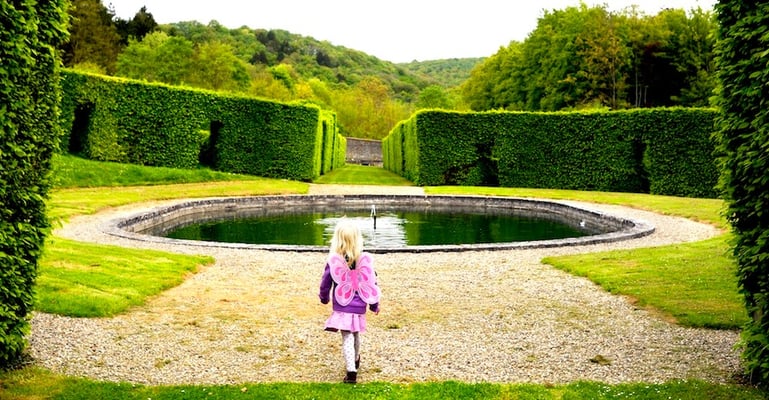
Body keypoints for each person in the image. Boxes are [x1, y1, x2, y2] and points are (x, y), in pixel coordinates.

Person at [318, 219, 381, 384]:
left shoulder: (334, 262)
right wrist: (374, 304)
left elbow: (325, 283)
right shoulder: (364, 261)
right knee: (356, 332)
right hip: (359, 306)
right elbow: (372, 283)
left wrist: (324, 298)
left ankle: (351, 371)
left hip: (343, 304)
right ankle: (356, 359)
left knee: (347, 335)